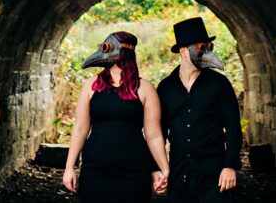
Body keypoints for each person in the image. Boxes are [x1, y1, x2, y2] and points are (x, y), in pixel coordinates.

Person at [63, 31, 170, 201]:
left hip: (133, 172)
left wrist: (164, 169)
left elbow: (154, 135)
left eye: (107, 47)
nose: (103, 51)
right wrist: (69, 167)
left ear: (122, 53)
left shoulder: (145, 88)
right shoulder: (91, 85)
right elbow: (80, 129)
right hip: (95, 170)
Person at [157, 17, 243, 202]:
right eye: (200, 47)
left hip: (214, 176)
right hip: (180, 176)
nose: (206, 52)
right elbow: (158, 132)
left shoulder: (219, 84)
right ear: (183, 51)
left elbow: (233, 127)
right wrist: (156, 168)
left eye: (208, 47)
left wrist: (230, 166)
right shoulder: (166, 88)